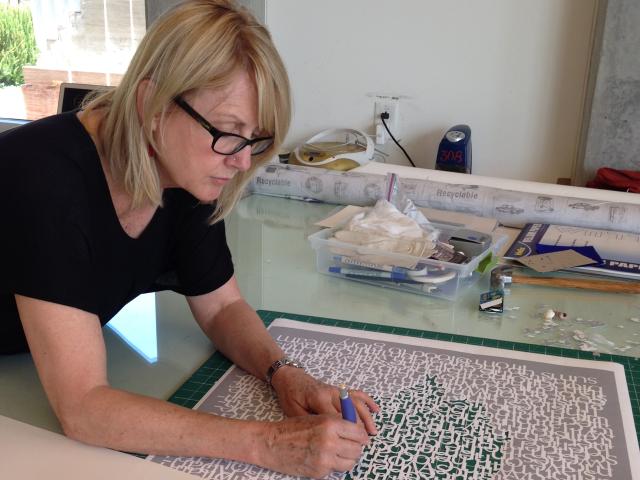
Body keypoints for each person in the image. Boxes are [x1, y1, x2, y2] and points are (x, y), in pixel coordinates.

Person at [0, 1, 379, 477]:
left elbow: (221, 307)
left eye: (256, 139)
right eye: (229, 132)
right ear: (151, 104)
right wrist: (267, 444)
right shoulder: (44, 179)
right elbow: (83, 407)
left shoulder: (186, 168)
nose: (242, 161)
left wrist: (286, 375)